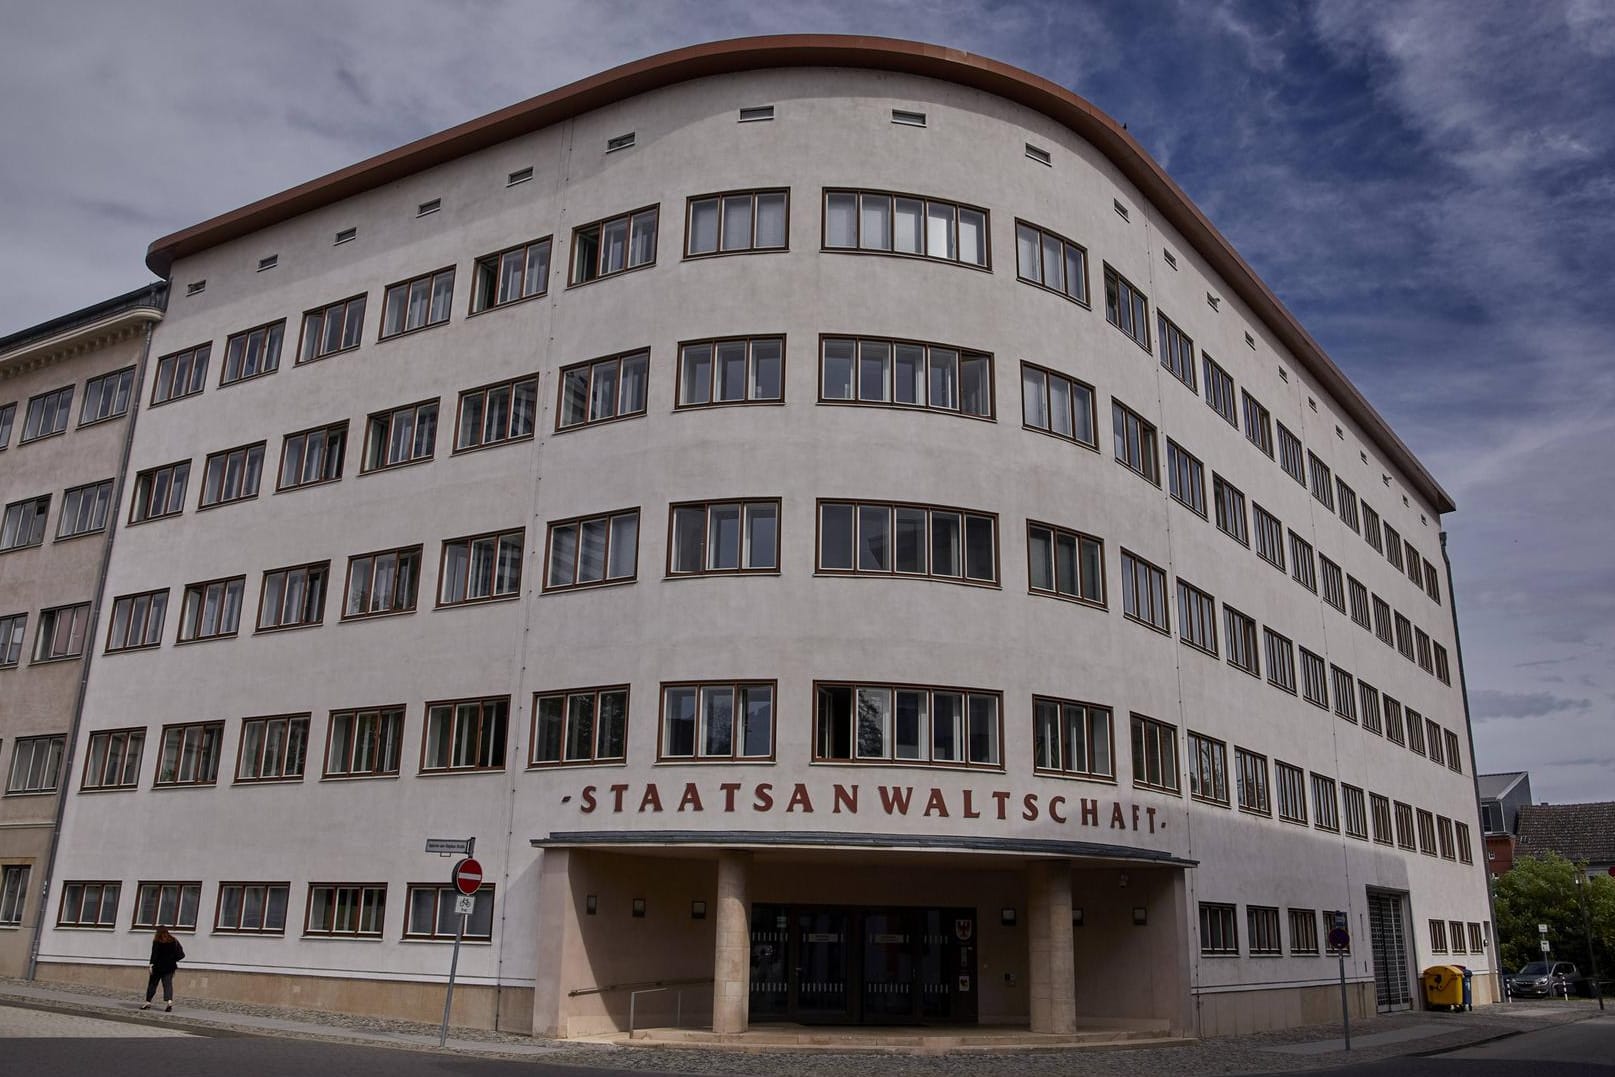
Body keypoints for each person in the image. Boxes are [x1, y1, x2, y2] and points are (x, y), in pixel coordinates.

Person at [140, 927, 185, 1012]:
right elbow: (181, 954)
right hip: (170, 967)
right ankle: (169, 1003)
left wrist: (151, 965)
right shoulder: (174, 941)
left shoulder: (157, 941)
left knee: (152, 984)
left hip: (157, 966)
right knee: (168, 985)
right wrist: (172, 959)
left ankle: (148, 1002)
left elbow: (154, 954)